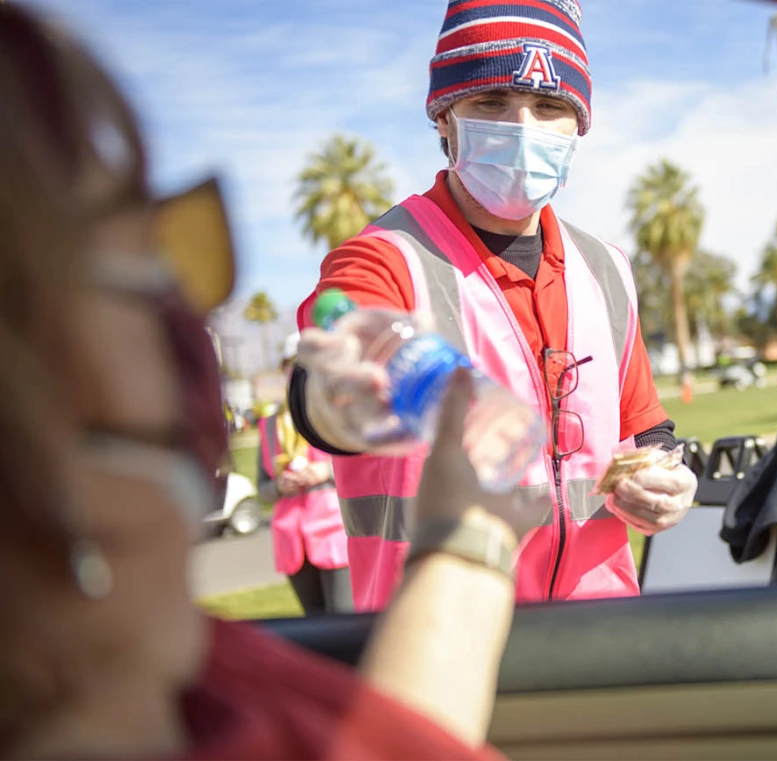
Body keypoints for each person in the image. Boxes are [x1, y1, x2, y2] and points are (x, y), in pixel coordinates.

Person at [0, 4, 538, 757]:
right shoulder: (385, 253)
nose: (192, 310)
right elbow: (322, 383)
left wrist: (467, 537)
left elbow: (391, 742)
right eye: (154, 256)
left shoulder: (198, 676)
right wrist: (336, 400)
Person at [290, 0, 699, 611]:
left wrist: (667, 476)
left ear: (578, 125)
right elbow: (322, 397)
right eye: (491, 103)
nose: (523, 126)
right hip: (436, 646)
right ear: (445, 119)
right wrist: (339, 387)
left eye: (551, 106)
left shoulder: (608, 269)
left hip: (600, 635)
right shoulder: (382, 259)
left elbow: (647, 430)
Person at [256, 333, 352, 614]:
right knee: (315, 626)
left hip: (334, 533)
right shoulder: (270, 425)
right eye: (293, 364)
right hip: (292, 540)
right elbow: (261, 488)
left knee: (345, 624)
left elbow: (368, 468)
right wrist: (279, 486)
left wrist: (327, 470)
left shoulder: (339, 412)